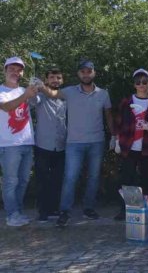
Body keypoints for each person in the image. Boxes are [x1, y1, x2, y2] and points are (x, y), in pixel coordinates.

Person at [42, 60, 115, 228]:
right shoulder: (69, 92)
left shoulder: (103, 94)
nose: (86, 74)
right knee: (70, 177)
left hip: (97, 141)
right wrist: (39, 86)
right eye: (83, 71)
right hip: (74, 143)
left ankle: (88, 208)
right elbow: (52, 94)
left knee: (94, 177)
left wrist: (114, 136)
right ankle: (65, 211)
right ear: (78, 74)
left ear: (94, 73)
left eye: (89, 71)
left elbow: (109, 116)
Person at [113, 69, 148, 221]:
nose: (141, 85)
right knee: (127, 178)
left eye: (144, 82)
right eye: (138, 82)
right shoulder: (127, 102)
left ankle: (146, 208)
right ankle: (128, 209)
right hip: (128, 146)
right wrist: (117, 140)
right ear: (134, 84)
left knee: (147, 178)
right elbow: (119, 122)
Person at [0, 57, 39, 227]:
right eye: (12, 69)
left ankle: (19, 212)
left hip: (27, 142)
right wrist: (26, 95)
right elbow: (7, 107)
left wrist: (38, 88)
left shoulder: (25, 89)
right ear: (5, 70)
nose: (15, 72)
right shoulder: (1, 91)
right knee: (10, 181)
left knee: (23, 181)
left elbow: (37, 102)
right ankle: (11, 214)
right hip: (9, 145)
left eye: (19, 70)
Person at [32, 66, 66, 223]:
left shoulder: (65, 96)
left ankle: (54, 208)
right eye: (52, 77)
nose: (55, 80)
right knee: (42, 180)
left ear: (62, 80)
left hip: (62, 145)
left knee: (58, 179)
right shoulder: (40, 95)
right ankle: (43, 211)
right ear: (46, 80)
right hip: (43, 144)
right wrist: (33, 86)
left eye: (58, 77)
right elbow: (32, 101)